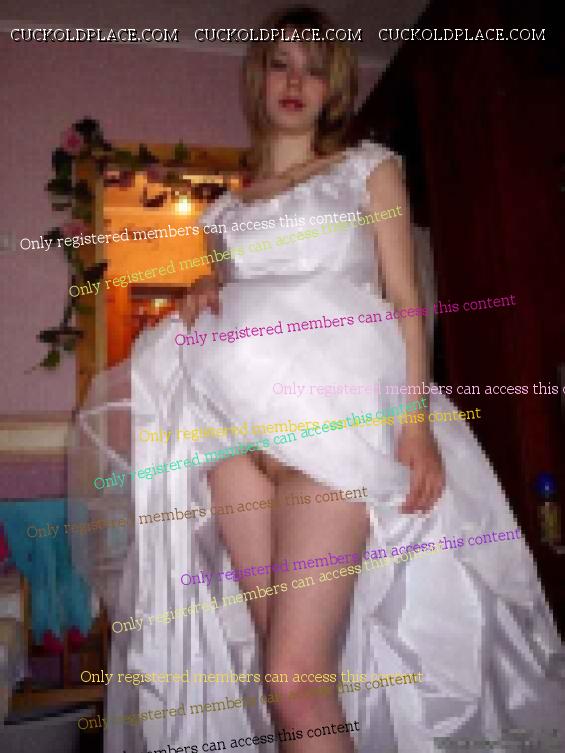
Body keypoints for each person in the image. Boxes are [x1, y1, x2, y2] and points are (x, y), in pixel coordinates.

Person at [70, 6, 565, 753]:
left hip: (336, 436)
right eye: (281, 63)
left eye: (314, 68)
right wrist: (205, 288)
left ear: (332, 87)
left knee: (293, 680)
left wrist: (413, 423)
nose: (295, 80)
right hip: (233, 447)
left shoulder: (369, 167)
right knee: (282, 674)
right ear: (258, 79)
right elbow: (246, 294)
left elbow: (405, 299)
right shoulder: (223, 212)